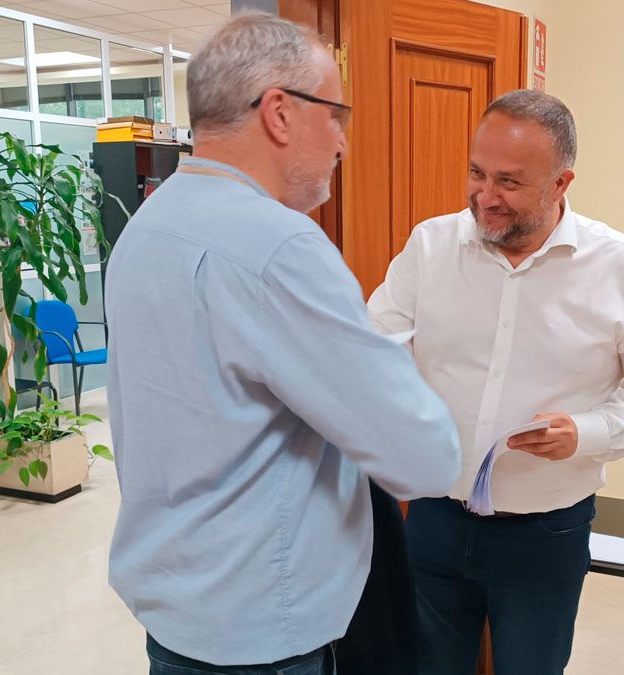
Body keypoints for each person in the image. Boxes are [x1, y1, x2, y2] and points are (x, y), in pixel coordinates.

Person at [104, 13, 462, 675]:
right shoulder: (280, 247)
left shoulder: (148, 224)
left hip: (178, 608)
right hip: (262, 629)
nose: (342, 144)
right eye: (337, 116)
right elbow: (423, 459)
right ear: (279, 113)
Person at [368, 89, 624, 675]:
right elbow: (373, 346)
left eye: (510, 183)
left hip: (545, 532)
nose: (485, 197)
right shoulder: (431, 246)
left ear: (561, 183)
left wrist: (590, 431)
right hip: (435, 517)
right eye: (476, 172)